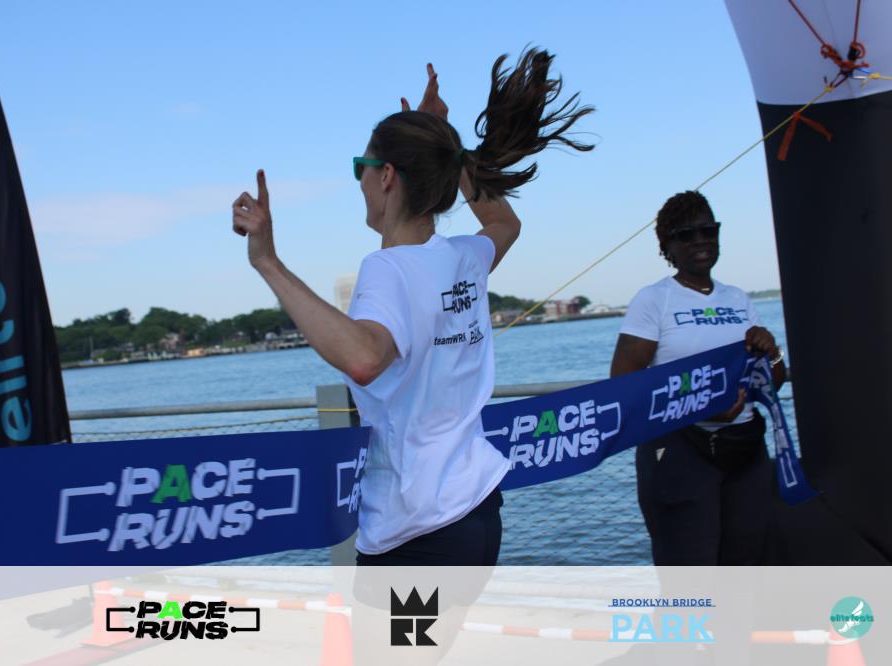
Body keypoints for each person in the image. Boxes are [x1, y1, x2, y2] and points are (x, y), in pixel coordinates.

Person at [232, 50, 593, 565]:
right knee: (435, 626)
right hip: (477, 509)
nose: (358, 180)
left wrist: (267, 261)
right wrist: (446, 145)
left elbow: (365, 357)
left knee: (394, 627)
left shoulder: (388, 269)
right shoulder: (463, 257)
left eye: (360, 167)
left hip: (417, 531)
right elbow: (504, 223)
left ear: (385, 177)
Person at [609, 190, 787, 565]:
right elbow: (624, 385)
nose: (700, 240)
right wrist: (699, 408)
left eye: (709, 230)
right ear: (667, 246)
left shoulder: (738, 299)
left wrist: (771, 349)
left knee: (747, 562)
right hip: (680, 449)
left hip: (744, 447)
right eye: (686, 235)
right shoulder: (654, 300)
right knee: (689, 570)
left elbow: (774, 380)